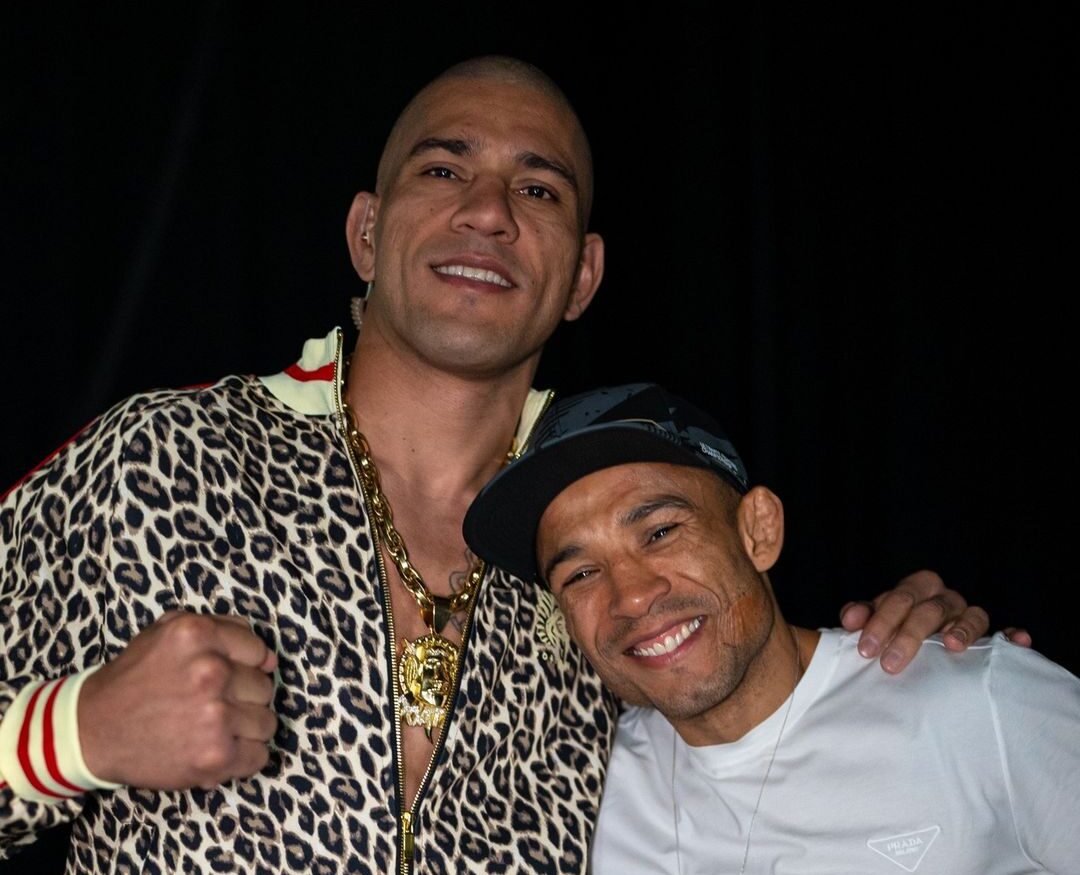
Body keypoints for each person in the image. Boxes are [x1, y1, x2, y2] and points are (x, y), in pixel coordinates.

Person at [0, 57, 1008, 874]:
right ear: (364, 232)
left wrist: (923, 666)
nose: (489, 211)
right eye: (443, 170)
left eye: (539, 186)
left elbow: (785, 742)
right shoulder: (159, 459)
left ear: (582, 275)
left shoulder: (624, 530)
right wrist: (77, 731)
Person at [463, 382, 1078, 873]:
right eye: (582, 575)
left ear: (758, 530)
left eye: (660, 533)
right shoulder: (583, 784)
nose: (631, 597)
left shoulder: (978, 703)